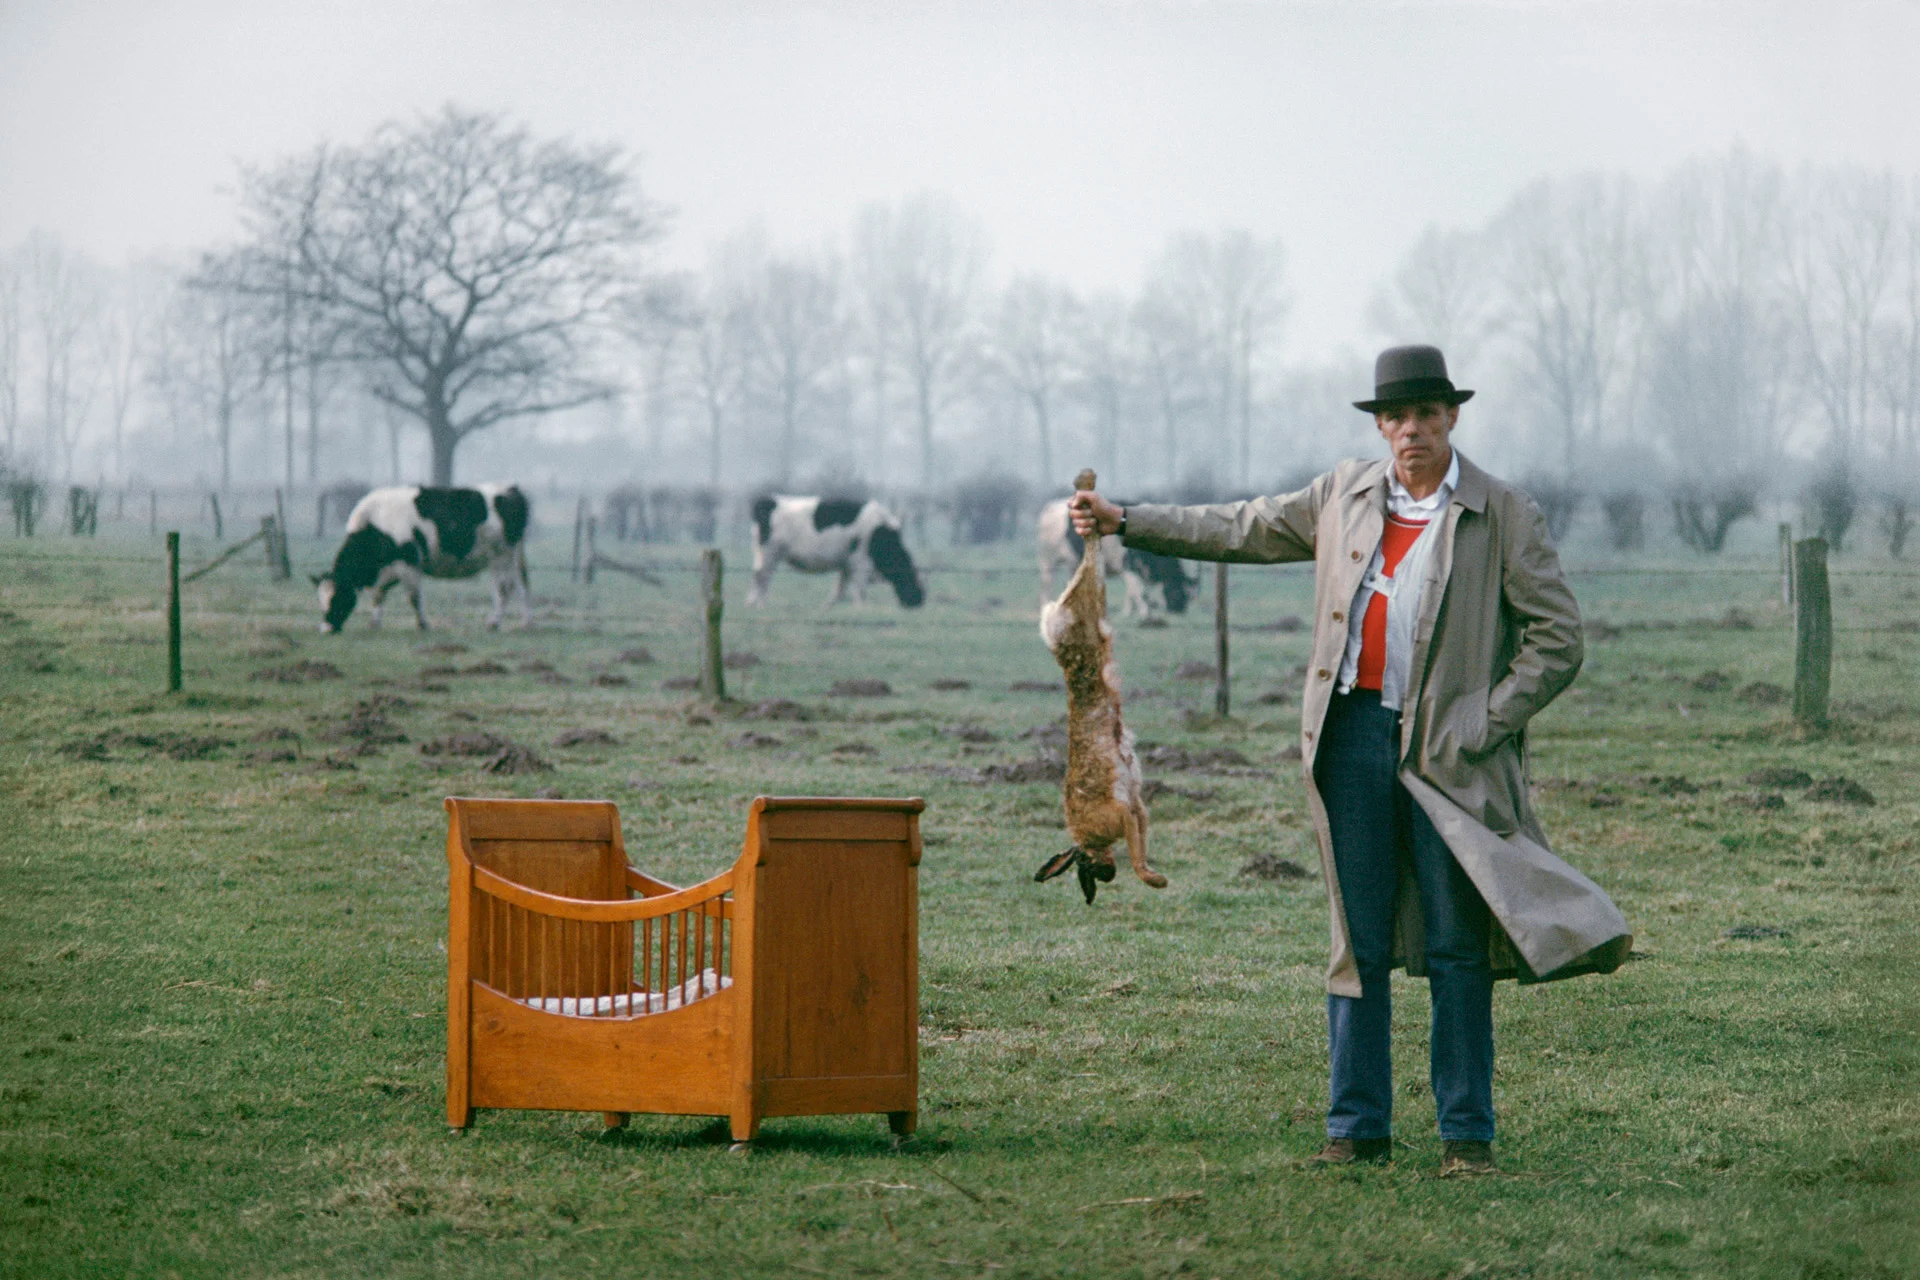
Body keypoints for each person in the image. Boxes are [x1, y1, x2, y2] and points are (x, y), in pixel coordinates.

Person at [1069, 344, 1630, 1177]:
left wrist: (1483, 721)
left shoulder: (1504, 513)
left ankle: (1466, 1137)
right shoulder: (1343, 494)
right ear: (1379, 425)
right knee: (1356, 940)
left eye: (1426, 415)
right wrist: (1127, 520)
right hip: (1351, 740)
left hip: (1450, 757)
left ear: (1452, 418)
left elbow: (1559, 639)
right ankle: (1356, 1129)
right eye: (1395, 417)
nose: (1411, 430)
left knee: (1455, 944)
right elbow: (1241, 527)